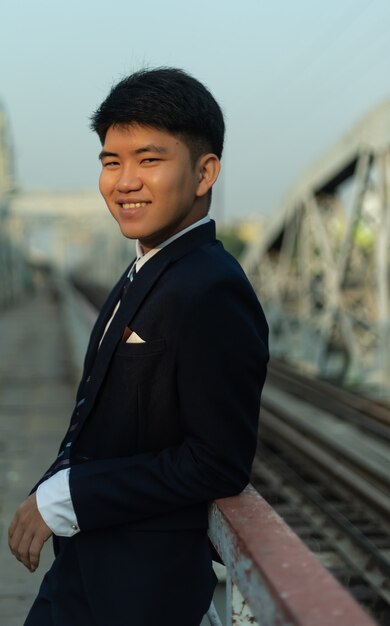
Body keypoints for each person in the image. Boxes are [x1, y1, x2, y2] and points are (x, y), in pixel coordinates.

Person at [9, 67, 269, 626]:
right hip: (90, 567)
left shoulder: (209, 288)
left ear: (205, 173)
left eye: (149, 160)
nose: (125, 181)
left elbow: (217, 461)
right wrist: (55, 484)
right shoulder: (147, 271)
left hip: (140, 591)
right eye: (111, 162)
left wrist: (70, 496)